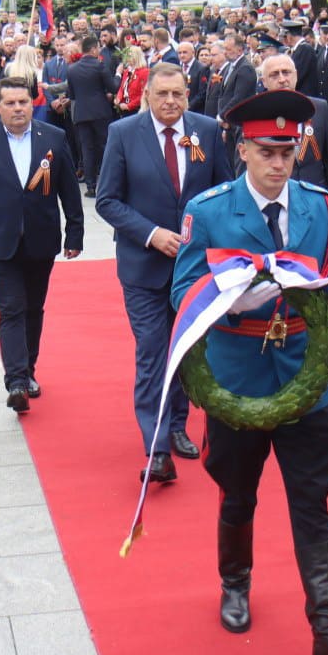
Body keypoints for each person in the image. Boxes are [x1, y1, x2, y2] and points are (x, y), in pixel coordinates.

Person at [171, 89, 328, 655]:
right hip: (237, 374)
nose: (279, 164)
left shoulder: (318, 205)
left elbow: (325, 278)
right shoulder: (210, 210)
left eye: (288, 152)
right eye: (267, 152)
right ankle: (235, 582)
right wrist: (230, 301)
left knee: (312, 499)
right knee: (238, 491)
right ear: (243, 151)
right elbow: (182, 291)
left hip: (303, 375)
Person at [95, 62, 231, 482]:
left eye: (178, 94)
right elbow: (107, 200)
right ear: (147, 96)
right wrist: (151, 234)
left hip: (194, 270)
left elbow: (224, 191)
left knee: (185, 350)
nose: (170, 101)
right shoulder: (123, 134)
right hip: (144, 268)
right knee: (153, 352)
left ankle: (177, 425)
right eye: (162, 94)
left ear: (187, 95)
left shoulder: (207, 131)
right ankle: (156, 448)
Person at [0, 77, 83, 412]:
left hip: (41, 239)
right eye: (10, 103)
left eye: (23, 102)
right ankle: (16, 382)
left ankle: (29, 370)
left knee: (32, 309)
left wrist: (75, 233)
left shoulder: (53, 138)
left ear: (32, 104)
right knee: (11, 309)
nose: (17, 109)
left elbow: (69, 189)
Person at [257, 52, 328, 231]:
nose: (282, 79)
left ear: (296, 75)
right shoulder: (255, 113)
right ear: (264, 81)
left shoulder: (319, 108)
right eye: (274, 75)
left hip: (314, 204)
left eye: (286, 72)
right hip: (272, 206)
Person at [65, 35, 114, 196]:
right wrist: (119, 75)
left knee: (87, 149)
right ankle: (108, 184)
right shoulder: (100, 66)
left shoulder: (72, 69)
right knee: (105, 146)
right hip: (100, 112)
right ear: (93, 49)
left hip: (81, 113)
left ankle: (90, 186)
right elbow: (113, 87)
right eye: (97, 48)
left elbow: (71, 94)